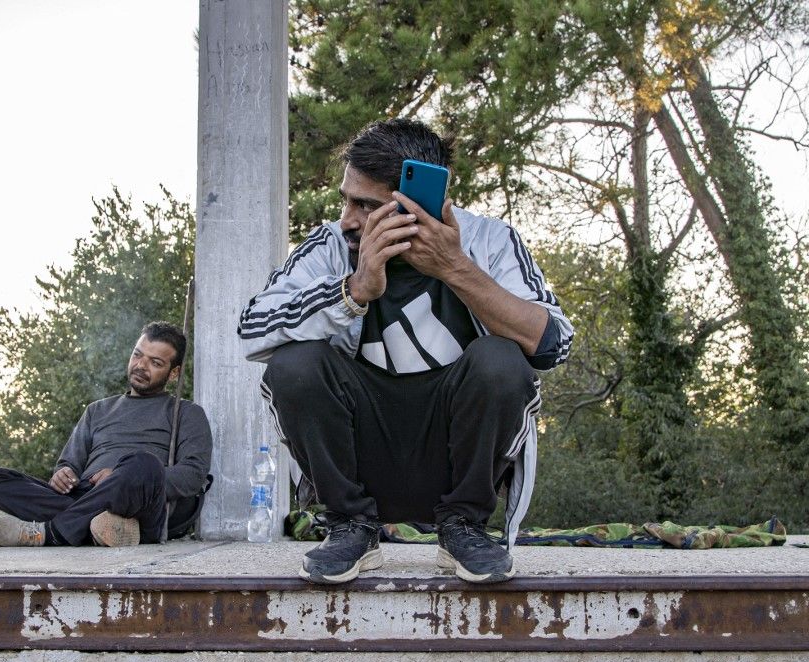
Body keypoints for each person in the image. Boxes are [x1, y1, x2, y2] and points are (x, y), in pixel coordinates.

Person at [238, 119, 573, 584]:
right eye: (345, 199)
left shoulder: (490, 241)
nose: (347, 220)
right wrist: (351, 292)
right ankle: (350, 525)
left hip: (453, 453)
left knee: (502, 360)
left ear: (417, 206)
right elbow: (252, 327)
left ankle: (465, 526)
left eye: (365, 205)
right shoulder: (332, 246)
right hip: (361, 451)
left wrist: (455, 268)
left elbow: (554, 342)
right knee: (294, 363)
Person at [0, 321, 212, 547]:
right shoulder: (97, 410)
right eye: (138, 355)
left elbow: (192, 474)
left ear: (173, 373)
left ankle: (50, 532)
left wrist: (119, 479)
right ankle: (106, 529)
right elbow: (68, 465)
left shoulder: (187, 412)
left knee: (144, 464)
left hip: (139, 504)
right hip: (86, 496)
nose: (141, 366)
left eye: (155, 363)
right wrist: (64, 474)